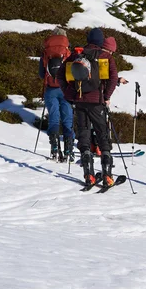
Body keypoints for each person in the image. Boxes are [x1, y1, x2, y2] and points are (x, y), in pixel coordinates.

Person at [63, 29, 119, 187]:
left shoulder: (77, 55)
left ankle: (89, 175)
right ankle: (107, 175)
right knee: (102, 134)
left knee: (84, 135)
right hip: (97, 102)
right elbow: (114, 77)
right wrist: (106, 96)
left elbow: (61, 75)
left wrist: (69, 93)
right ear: (101, 42)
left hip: (80, 101)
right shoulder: (105, 56)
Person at [39, 27, 74, 161]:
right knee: (67, 119)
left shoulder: (46, 52)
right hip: (66, 90)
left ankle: (54, 147)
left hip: (50, 90)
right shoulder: (68, 52)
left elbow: (41, 74)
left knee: (54, 118)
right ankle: (69, 149)